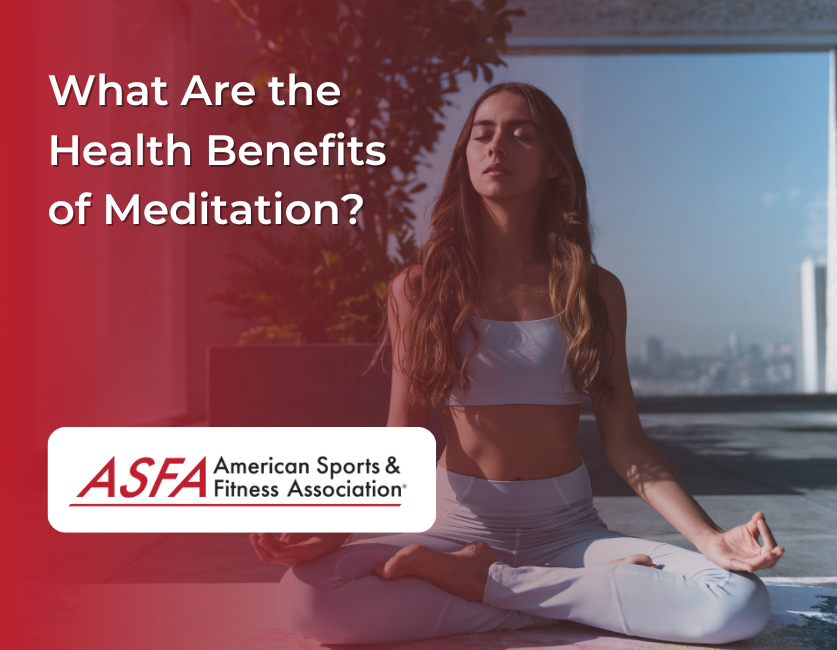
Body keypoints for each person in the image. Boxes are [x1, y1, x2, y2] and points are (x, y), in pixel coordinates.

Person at [250, 82, 784, 646]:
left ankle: (489, 585)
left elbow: (625, 440)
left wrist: (708, 539)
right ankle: (567, 597)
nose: (495, 147)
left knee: (736, 604)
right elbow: (404, 433)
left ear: (554, 165)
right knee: (304, 599)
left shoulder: (595, 290)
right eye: (482, 135)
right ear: (467, 158)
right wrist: (334, 525)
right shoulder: (418, 288)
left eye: (520, 135)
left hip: (564, 528)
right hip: (452, 525)